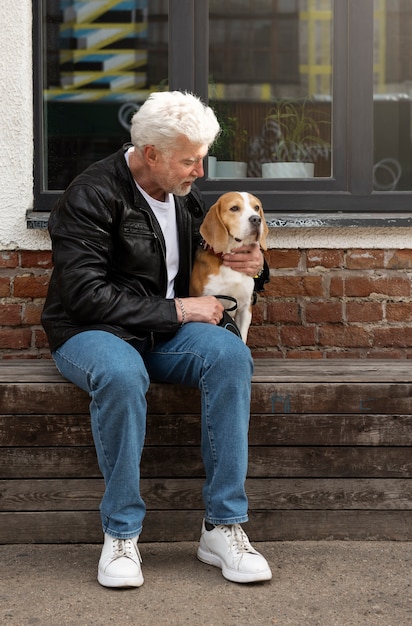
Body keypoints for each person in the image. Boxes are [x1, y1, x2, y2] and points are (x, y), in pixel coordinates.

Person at [42, 90, 272, 588]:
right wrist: (178, 309)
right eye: (190, 160)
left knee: (231, 358)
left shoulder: (181, 196)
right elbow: (83, 295)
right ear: (151, 154)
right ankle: (122, 534)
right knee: (123, 374)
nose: (200, 172)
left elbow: (221, 248)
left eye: (202, 158)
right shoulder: (91, 194)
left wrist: (257, 265)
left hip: (165, 332)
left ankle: (222, 526)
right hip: (91, 332)